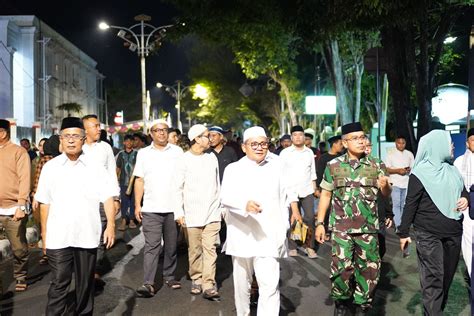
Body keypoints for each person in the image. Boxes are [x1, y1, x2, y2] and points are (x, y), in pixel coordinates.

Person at [35, 117, 117, 316]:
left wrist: (111, 225)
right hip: (58, 237)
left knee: (85, 284)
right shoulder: (50, 167)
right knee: (59, 282)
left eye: (76, 136)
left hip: (87, 235)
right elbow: (44, 202)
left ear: (83, 139)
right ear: (61, 139)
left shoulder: (95, 167)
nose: (71, 140)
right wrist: (44, 235)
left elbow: (107, 197)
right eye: (67, 136)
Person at [315, 122, 391, 315]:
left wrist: (385, 186)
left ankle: (362, 305)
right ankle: (341, 303)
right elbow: (325, 195)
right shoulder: (333, 166)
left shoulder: (376, 164)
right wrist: (320, 223)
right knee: (341, 269)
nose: (361, 141)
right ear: (345, 143)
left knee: (369, 270)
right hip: (341, 229)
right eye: (355, 138)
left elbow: (385, 193)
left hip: (368, 229)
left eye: (363, 137)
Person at [220, 126, 297, 316]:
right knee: (242, 283)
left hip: (270, 234)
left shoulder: (279, 164)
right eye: (254, 144)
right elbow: (225, 196)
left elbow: (288, 191)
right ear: (244, 147)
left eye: (263, 143)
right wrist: (244, 205)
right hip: (241, 233)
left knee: (270, 285)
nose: (259, 147)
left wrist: (291, 216)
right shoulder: (234, 169)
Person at [398, 130, 468, 315]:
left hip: (453, 231)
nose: (452, 146)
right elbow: (410, 204)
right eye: (449, 142)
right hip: (428, 233)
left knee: (446, 278)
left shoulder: (452, 169)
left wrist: (465, 199)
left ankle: (436, 310)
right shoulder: (420, 173)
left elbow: (464, 191)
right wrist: (404, 232)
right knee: (433, 278)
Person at [133, 119, 183, 297]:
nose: (161, 133)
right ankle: (148, 283)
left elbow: (184, 179)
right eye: (157, 130)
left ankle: (169, 276)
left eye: (164, 130)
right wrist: (138, 204)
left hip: (173, 208)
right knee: (151, 246)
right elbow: (139, 179)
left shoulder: (178, 152)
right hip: (151, 208)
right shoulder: (144, 154)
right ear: (151, 134)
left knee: (171, 246)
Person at [174, 124, 222, 299]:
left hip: (212, 212)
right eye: (207, 136)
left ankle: (209, 283)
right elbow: (177, 188)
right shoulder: (183, 160)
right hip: (191, 213)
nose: (210, 139)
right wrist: (179, 212)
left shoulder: (212, 158)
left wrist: (220, 207)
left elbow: (218, 185)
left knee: (210, 249)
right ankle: (197, 278)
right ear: (196, 138)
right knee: (194, 249)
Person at [82, 114, 120, 289]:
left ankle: (94, 272)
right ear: (85, 130)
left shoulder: (105, 148)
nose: (99, 129)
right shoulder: (76, 147)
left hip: (102, 201)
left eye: (99, 126)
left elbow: (112, 173)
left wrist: (116, 198)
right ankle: (83, 269)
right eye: (95, 126)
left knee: (99, 236)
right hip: (81, 202)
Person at [0, 119, 30, 294]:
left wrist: (21, 205)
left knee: (18, 248)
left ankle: (20, 275)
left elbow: (24, 178)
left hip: (13, 210)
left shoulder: (18, 152)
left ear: (3, 133)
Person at [280, 125, 318, 258]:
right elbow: (281, 174)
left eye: (300, 135)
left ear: (304, 137)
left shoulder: (309, 153)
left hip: (307, 190)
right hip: (290, 191)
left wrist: (314, 188)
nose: (298, 137)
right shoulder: (285, 153)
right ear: (291, 137)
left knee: (310, 218)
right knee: (293, 219)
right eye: (295, 135)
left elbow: (312, 172)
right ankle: (293, 246)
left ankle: (310, 247)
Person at [365, 139, 394, 259]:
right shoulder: (346, 166)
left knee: (381, 248)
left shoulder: (378, 164)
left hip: (378, 214)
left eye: (369, 146)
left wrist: (389, 214)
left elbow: (385, 192)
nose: (366, 149)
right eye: (363, 145)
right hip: (357, 218)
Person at [453, 127, 474, 279]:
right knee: (467, 241)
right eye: (473, 140)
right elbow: (456, 185)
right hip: (466, 206)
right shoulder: (459, 162)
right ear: (467, 143)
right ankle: (471, 272)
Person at [315, 135, 344, 239]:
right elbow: (319, 173)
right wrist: (318, 189)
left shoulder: (343, 157)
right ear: (334, 144)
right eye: (340, 144)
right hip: (327, 187)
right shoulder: (323, 158)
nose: (342, 146)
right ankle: (325, 229)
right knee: (326, 209)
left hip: (340, 188)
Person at [385, 135, 414, 231]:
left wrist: (408, 170)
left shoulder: (409, 154)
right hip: (395, 182)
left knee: (405, 204)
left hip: (406, 182)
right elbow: (387, 169)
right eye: (399, 143)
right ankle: (398, 226)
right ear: (395, 143)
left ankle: (403, 224)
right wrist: (398, 171)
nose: (401, 145)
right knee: (396, 204)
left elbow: (413, 168)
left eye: (403, 143)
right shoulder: (391, 154)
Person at [116, 134, 138, 231]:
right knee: (124, 202)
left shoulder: (137, 154)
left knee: (133, 201)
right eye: (127, 141)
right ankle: (124, 220)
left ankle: (132, 220)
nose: (129, 143)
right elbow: (118, 168)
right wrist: (115, 180)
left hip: (135, 183)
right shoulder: (121, 155)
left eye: (131, 141)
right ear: (124, 142)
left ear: (133, 142)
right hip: (123, 182)